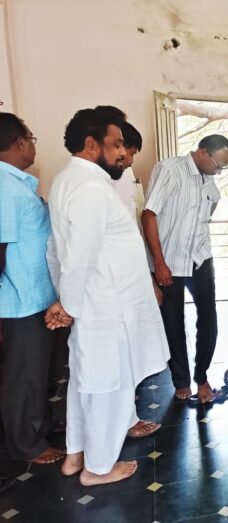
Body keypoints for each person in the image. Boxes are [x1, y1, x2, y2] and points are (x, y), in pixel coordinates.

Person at [47, 108, 169, 486]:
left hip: (95, 303)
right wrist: (68, 305)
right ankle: (98, 468)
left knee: (86, 383)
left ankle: (75, 455)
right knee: (108, 387)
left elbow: (57, 251)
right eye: (116, 145)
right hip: (105, 307)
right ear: (91, 144)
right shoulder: (89, 188)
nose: (122, 153)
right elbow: (79, 255)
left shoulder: (71, 180)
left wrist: (66, 301)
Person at [142, 134, 228, 402]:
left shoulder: (208, 176)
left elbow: (210, 206)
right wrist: (159, 263)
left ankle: (201, 376)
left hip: (200, 257)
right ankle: (181, 380)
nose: (219, 171)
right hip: (169, 260)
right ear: (203, 153)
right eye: (218, 165)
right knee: (173, 322)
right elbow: (149, 215)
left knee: (209, 320)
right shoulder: (170, 170)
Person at [0, 113, 68, 465]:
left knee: (40, 370)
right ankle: (26, 444)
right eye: (31, 138)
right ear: (18, 142)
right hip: (18, 301)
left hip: (36, 297)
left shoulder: (17, 184)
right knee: (24, 375)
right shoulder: (5, 188)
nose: (33, 146)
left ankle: (40, 424)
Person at [94, 106, 162, 438]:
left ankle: (126, 415)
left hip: (129, 278)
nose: (128, 158)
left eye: (129, 151)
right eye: (125, 150)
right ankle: (119, 424)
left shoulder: (123, 177)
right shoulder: (101, 183)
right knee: (116, 359)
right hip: (111, 285)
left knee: (128, 354)